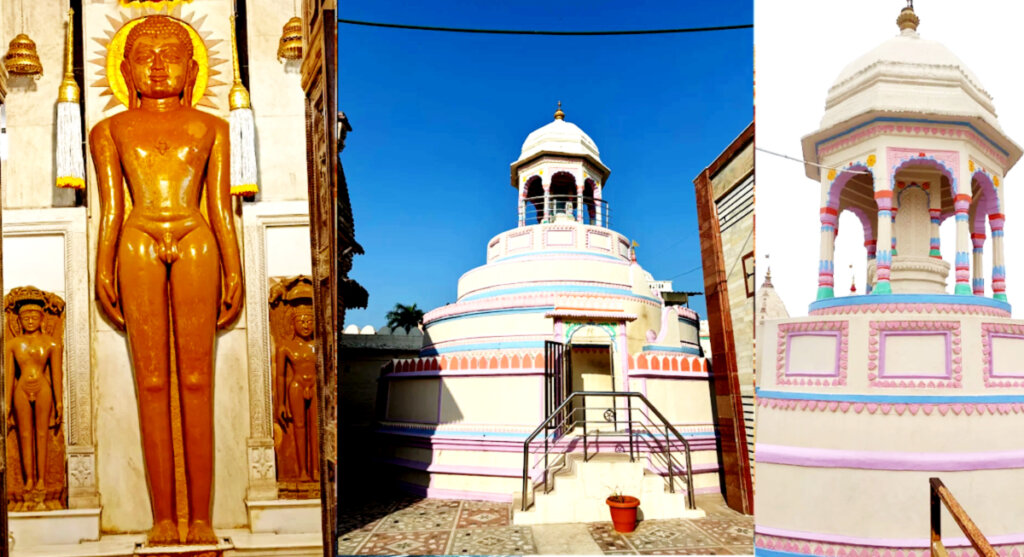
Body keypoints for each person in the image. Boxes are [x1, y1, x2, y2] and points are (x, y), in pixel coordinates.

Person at [89, 15, 243, 545]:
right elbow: (112, 209)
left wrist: (236, 267)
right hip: (137, 237)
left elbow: (219, 207)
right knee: (151, 383)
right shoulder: (109, 130)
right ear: (127, 70)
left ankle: (200, 516)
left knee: (198, 381)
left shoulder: (212, 128)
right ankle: (161, 518)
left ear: (193, 66)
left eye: (170, 54)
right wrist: (102, 264)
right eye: (146, 56)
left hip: (197, 235)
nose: (158, 66)